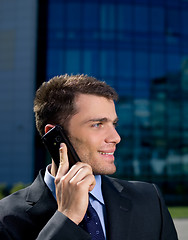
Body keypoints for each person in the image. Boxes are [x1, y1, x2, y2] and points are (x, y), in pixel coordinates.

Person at [0, 74, 178, 240]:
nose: (116, 137)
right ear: (55, 135)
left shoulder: (150, 201)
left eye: (113, 124)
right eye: (97, 124)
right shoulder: (5, 218)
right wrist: (66, 217)